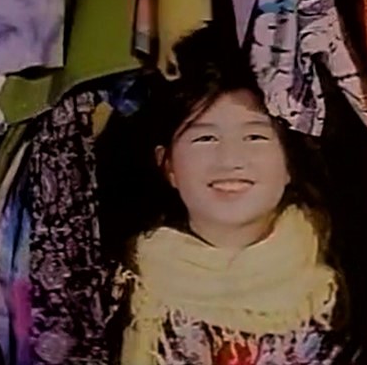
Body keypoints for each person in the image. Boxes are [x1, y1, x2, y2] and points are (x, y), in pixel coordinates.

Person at [118, 25, 350, 365]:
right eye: (205, 139)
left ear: (290, 162)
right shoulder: (125, 288)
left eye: (255, 137)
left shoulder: (341, 292)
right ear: (167, 165)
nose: (229, 160)